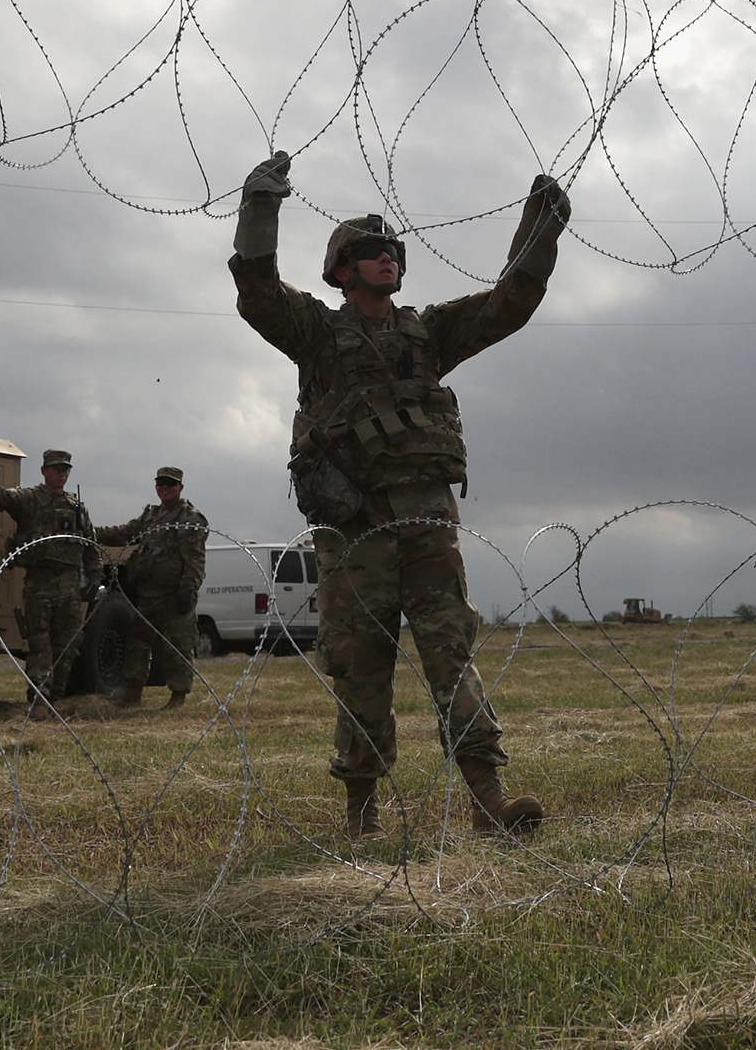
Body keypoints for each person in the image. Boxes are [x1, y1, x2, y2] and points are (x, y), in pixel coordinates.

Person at [231, 151, 568, 838]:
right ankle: (361, 813)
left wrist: (541, 231)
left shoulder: (428, 332)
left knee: (451, 655)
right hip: (355, 532)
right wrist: (259, 209)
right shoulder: (317, 334)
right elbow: (258, 293)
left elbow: (508, 303)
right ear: (341, 270)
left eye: (392, 251)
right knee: (361, 667)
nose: (386, 257)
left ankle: (488, 800)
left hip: (428, 527)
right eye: (370, 251)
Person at [0, 450, 100, 717]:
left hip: (69, 583)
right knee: (40, 643)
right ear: (44, 471)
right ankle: (39, 699)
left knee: (68, 644)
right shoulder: (30, 499)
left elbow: (90, 545)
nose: (62, 473)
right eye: (56, 468)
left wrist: (94, 579)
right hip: (40, 581)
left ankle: (54, 697)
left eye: (66, 469)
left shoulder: (76, 507)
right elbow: (7, 499)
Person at [96, 466, 209, 709]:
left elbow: (195, 561)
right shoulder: (151, 517)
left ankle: (178, 696)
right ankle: (133, 694)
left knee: (177, 645)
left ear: (180, 487)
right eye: (161, 483)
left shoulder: (189, 519)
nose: (165, 488)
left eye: (171, 483)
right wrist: (90, 531)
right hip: (148, 594)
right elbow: (123, 534)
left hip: (173, 594)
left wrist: (187, 591)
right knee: (137, 643)